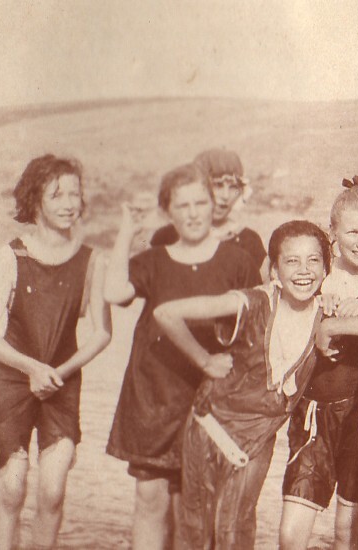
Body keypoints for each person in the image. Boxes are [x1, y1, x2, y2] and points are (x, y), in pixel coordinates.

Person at [154, 220, 358, 549]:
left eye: (313, 260)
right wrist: (204, 360)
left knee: (236, 527)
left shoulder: (324, 312)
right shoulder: (251, 302)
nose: (303, 271)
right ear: (273, 269)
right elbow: (166, 313)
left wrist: (345, 321)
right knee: (195, 529)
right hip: (210, 428)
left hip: (259, 438)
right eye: (291, 261)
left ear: (326, 268)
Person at [104, 162, 260, 548]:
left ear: (213, 206)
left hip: (209, 398)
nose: (193, 213)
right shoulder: (154, 259)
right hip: (153, 394)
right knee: (150, 499)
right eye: (183, 205)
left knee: (196, 506)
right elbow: (114, 293)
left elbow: (255, 331)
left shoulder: (237, 262)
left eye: (200, 203)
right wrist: (127, 229)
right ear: (167, 212)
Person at [0, 155, 112, 550]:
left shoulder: (91, 260)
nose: (70, 203)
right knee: (12, 487)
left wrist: (59, 372)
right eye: (57, 195)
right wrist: (32, 367)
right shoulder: (12, 256)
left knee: (52, 490)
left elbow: (102, 334)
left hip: (62, 384)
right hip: (14, 381)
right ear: (35, 201)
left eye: (75, 193)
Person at [279, 184, 358, 550]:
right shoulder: (317, 275)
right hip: (313, 414)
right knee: (291, 531)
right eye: (352, 232)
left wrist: (357, 318)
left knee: (349, 527)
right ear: (333, 232)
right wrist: (318, 306)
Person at [150, 148, 268, 275]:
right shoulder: (167, 236)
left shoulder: (249, 241)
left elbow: (257, 291)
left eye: (233, 187)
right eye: (217, 185)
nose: (226, 196)